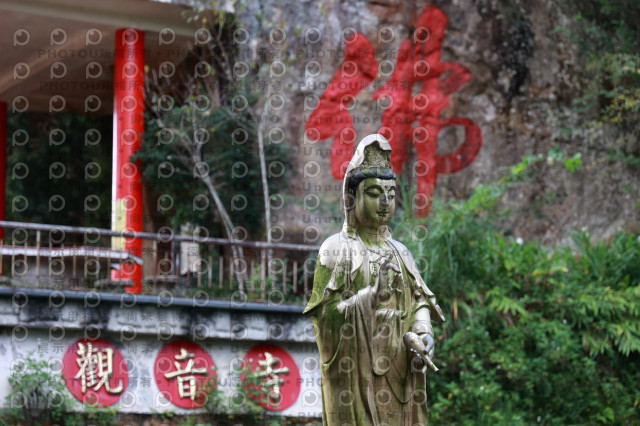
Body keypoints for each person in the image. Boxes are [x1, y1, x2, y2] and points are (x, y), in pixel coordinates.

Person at [304, 134, 445, 426]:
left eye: (391, 194)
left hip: (400, 372)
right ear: (351, 199)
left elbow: (419, 301)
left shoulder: (401, 252)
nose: (384, 202)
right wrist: (372, 297)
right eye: (374, 193)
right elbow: (325, 320)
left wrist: (423, 331)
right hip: (358, 377)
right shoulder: (336, 250)